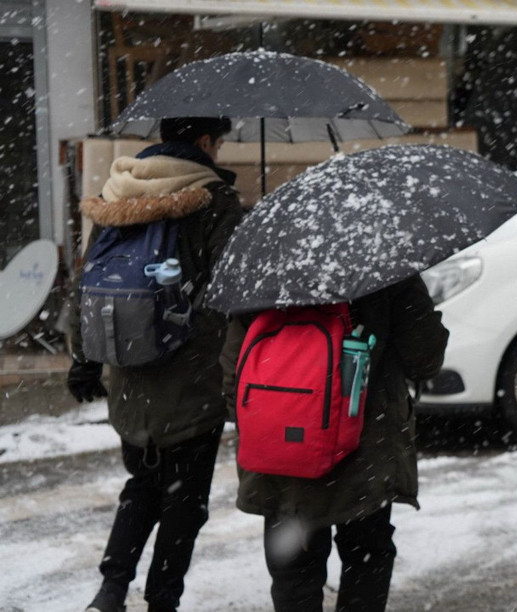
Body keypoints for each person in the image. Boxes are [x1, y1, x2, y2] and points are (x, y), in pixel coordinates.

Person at [67, 116, 243, 612]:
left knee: (142, 486)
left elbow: (88, 286)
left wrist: (83, 359)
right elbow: (228, 293)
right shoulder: (214, 201)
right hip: (192, 379)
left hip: (128, 373)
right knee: (185, 503)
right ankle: (163, 600)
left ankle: (111, 589)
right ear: (206, 142)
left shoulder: (118, 193)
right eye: (221, 142)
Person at [221, 276, 449, 611]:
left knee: (294, 572)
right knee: (367, 558)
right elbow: (424, 358)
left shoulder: (268, 269)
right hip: (365, 449)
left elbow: (232, 373)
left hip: (280, 450)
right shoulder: (383, 266)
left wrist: (280, 417)